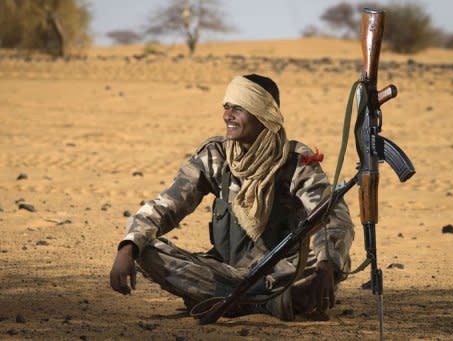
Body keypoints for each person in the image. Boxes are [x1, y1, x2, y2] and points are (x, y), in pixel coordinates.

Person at [110, 74, 354, 321]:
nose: (228, 116)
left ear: (264, 115)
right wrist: (128, 247)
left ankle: (229, 300)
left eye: (238, 108)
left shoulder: (295, 162)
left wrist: (327, 264)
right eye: (226, 107)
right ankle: (263, 303)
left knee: (322, 262)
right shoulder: (215, 155)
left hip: (281, 273)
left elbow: (333, 215)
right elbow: (166, 205)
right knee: (147, 249)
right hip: (226, 272)